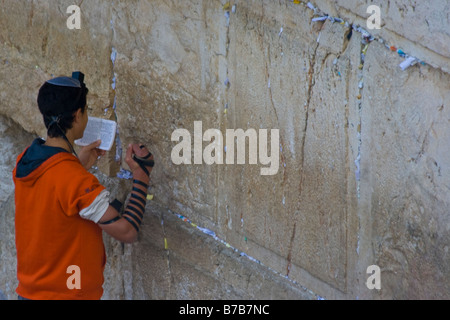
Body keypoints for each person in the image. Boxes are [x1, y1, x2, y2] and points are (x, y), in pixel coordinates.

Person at [12, 72, 154, 300]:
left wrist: (78, 165)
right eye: (86, 111)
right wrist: (141, 175)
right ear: (77, 116)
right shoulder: (74, 180)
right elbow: (127, 231)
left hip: (29, 293)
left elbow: (55, 192)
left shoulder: (27, 160)